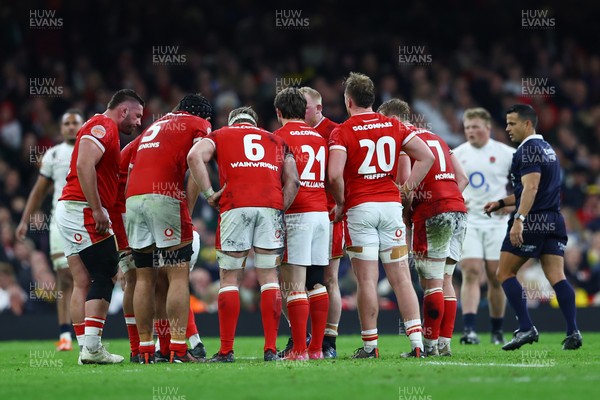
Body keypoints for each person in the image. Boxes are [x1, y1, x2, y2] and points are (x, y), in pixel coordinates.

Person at [328, 73, 435, 358]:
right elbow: (427, 156)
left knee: (367, 281)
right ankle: (417, 345)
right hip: (390, 207)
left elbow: (334, 174)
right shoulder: (393, 124)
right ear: (371, 99)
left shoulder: (342, 130)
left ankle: (371, 346)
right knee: (401, 278)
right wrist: (406, 188)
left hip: (360, 208)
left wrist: (340, 202)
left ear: (348, 101)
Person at [187, 106, 299, 362]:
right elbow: (293, 181)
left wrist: (208, 193)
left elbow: (194, 157)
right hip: (270, 205)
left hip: (235, 205)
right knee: (269, 276)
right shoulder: (277, 140)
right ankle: (270, 349)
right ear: (255, 123)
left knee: (229, 278)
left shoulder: (220, 135)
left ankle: (226, 350)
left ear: (232, 122)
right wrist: (279, 209)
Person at [54, 89, 144, 364]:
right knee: (106, 272)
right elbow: (83, 165)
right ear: (124, 110)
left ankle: (85, 349)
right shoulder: (103, 126)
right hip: (82, 209)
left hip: (71, 209)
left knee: (82, 281)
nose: (139, 122)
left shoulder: (103, 129)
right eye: (137, 116)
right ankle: (92, 349)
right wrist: (96, 208)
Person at [484, 104, 582, 351]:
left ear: (528, 124)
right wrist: (500, 203)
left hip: (533, 221)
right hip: (554, 220)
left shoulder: (527, 150)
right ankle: (573, 332)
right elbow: (533, 191)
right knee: (557, 276)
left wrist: (519, 219)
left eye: (512, 123)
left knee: (504, 273)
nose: (507, 128)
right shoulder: (548, 149)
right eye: (506, 123)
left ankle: (526, 327)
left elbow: (531, 188)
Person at [125, 94, 212, 364]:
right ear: (205, 117)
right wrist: (188, 204)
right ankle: (178, 348)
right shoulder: (200, 124)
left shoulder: (153, 126)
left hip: (133, 200)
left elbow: (122, 162)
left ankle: (145, 349)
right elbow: (197, 162)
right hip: (164, 199)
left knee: (144, 278)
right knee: (177, 275)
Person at [378, 99, 468, 357]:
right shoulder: (437, 138)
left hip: (433, 213)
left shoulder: (403, 141)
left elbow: (406, 187)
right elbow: (462, 178)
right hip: (458, 211)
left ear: (392, 119)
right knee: (446, 279)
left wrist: (409, 214)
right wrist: (448, 201)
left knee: (431, 283)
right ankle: (444, 343)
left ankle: (428, 346)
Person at [16, 109, 83, 351]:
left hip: (87, 220)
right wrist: (24, 219)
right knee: (66, 276)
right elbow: (38, 191)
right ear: (60, 128)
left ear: (83, 125)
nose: (71, 127)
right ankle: (66, 335)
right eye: (66, 123)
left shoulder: (91, 150)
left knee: (84, 277)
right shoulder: (53, 155)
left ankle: (87, 332)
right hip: (59, 221)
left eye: (75, 122)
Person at [273, 88, 330, 360]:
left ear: (279, 113)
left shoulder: (278, 138)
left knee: (294, 285)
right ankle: (317, 348)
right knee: (317, 283)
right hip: (321, 214)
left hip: (296, 214)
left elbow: (284, 180)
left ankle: (298, 349)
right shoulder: (319, 137)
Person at [453, 107, 515, 345]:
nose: (471, 131)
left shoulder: (506, 153)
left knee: (496, 276)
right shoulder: (457, 154)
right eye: (467, 127)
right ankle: (469, 329)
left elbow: (524, 185)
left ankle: (497, 330)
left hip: (497, 222)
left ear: (488, 128)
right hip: (469, 220)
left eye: (475, 127)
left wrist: (509, 206)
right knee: (470, 270)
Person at [300, 86, 343, 358]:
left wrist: (341, 203)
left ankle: (329, 340)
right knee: (295, 280)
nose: (300, 112)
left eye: (304, 107)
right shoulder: (291, 132)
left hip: (329, 215)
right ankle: (302, 336)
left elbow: (341, 175)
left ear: (318, 108)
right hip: (300, 216)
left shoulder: (334, 132)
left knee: (329, 279)